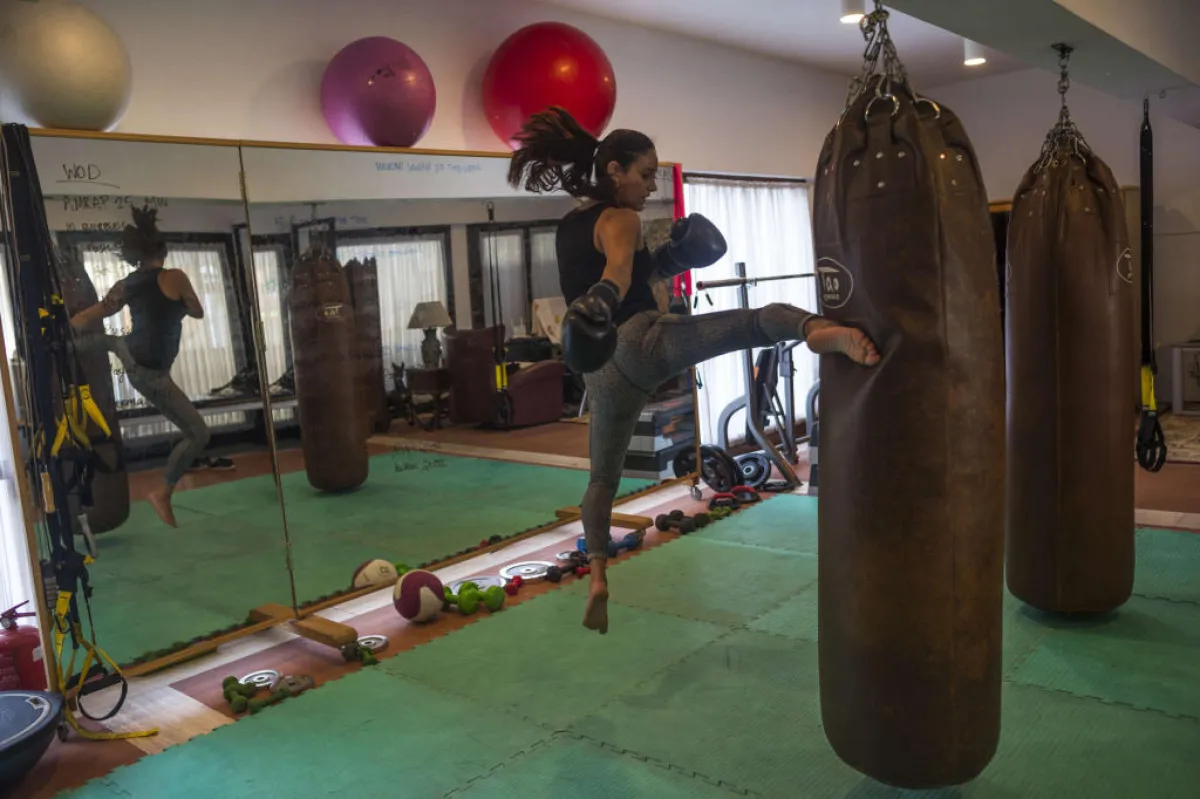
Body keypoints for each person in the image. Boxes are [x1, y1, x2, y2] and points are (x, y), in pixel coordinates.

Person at [508, 107, 881, 634]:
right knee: (752, 323)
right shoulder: (621, 218)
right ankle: (818, 330)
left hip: (602, 375)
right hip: (639, 342)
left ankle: (597, 577)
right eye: (645, 174)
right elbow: (619, 272)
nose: (650, 184)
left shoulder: (568, 226)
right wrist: (605, 298)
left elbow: (636, 271)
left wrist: (673, 258)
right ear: (614, 171)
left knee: (602, 479)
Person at [70, 205, 215, 528]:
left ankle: (66, 344)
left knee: (112, 342)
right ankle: (163, 492)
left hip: (132, 354)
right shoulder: (175, 277)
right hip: (151, 373)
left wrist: (73, 322)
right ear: (162, 250)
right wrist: (179, 303)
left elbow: (95, 312)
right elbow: (198, 311)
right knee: (198, 434)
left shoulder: (127, 285)